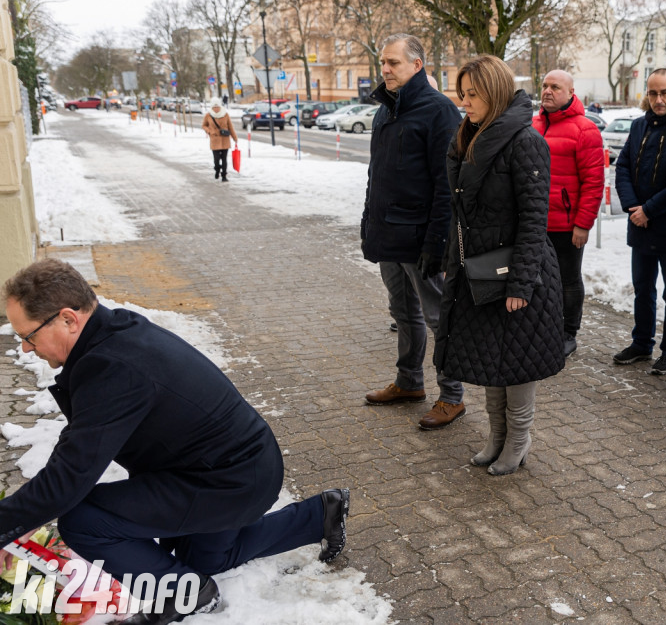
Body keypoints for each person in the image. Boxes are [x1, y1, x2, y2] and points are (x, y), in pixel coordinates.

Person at [0, 259, 350, 625]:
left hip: (228, 481)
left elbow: (70, 477)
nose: (25, 349)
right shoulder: (114, 334)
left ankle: (182, 598)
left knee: (83, 520)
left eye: (29, 336)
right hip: (240, 469)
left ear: (69, 319)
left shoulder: (112, 367)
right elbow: (78, 457)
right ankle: (318, 516)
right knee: (201, 562)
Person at [434, 55, 565, 476]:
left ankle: (519, 439)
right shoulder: (468, 136)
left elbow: (534, 218)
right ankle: (496, 436)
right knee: (492, 359)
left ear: (494, 92)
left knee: (518, 363)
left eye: (473, 94)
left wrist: (522, 284)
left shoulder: (526, 142)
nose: (465, 102)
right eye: (462, 94)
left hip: (514, 271)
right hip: (478, 271)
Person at [361, 33, 465, 430]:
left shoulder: (438, 110)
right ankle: (409, 382)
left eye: (394, 63)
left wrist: (437, 242)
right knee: (402, 312)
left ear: (417, 65)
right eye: (383, 63)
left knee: (438, 317)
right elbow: (378, 177)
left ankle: (452, 396)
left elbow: (446, 185)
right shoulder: (384, 111)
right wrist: (368, 225)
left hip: (422, 240)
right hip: (388, 236)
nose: (385, 69)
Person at [613, 68, 666, 374]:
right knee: (643, 289)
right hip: (639, 223)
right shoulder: (639, 126)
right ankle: (641, 343)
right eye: (652, 93)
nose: (658, 99)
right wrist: (633, 206)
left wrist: (649, 209)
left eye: (664, 93)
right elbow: (622, 166)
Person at [532, 69, 605, 357]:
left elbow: (593, 182)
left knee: (568, 280)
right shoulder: (534, 124)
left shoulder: (585, 129)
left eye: (556, 87)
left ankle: (568, 332)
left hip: (566, 224)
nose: (548, 91)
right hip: (535, 222)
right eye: (545, 85)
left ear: (571, 93)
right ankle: (543, 329)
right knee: (538, 279)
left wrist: (583, 224)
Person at [201, 100, 238, 182]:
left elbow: (230, 127)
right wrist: (209, 131)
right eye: (214, 107)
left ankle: (224, 175)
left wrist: (234, 137)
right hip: (214, 140)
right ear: (212, 107)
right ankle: (217, 169)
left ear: (220, 107)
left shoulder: (225, 114)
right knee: (216, 159)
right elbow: (204, 125)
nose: (216, 109)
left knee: (224, 159)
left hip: (225, 139)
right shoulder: (208, 115)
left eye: (217, 107)